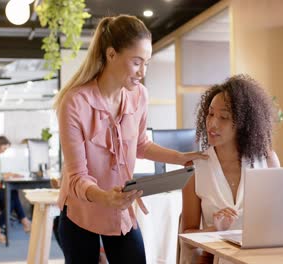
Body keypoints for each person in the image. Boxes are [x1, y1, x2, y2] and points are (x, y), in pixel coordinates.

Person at [54, 14, 207, 264]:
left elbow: (141, 145)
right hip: (80, 212)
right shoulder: (74, 102)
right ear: (111, 54)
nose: (142, 72)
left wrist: (180, 158)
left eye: (146, 63)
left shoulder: (139, 96)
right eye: (137, 62)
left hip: (120, 212)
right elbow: (76, 177)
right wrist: (105, 197)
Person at [179, 75, 281, 264]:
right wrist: (215, 230)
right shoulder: (195, 168)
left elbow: (279, 222)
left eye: (224, 117)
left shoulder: (267, 161)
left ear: (243, 124)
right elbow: (186, 239)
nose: (213, 124)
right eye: (210, 114)